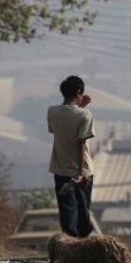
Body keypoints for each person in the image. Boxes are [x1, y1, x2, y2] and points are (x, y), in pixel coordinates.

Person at [47, 75, 95, 238]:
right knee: (83, 213)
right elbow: (80, 143)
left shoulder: (52, 112)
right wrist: (80, 173)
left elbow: (56, 129)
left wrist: (79, 106)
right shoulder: (85, 115)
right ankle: (83, 250)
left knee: (67, 214)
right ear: (79, 92)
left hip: (61, 170)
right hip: (83, 172)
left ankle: (69, 248)